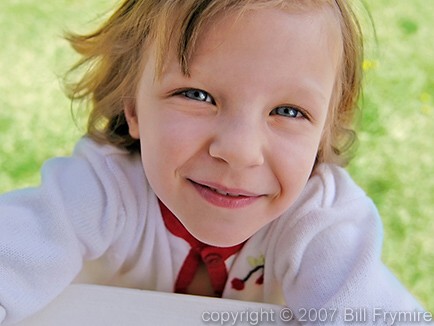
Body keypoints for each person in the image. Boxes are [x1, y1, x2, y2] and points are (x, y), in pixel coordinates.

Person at [0, 0, 425, 324]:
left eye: (290, 112)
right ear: (133, 107)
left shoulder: (318, 223)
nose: (240, 150)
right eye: (197, 96)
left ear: (324, 131)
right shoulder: (99, 193)